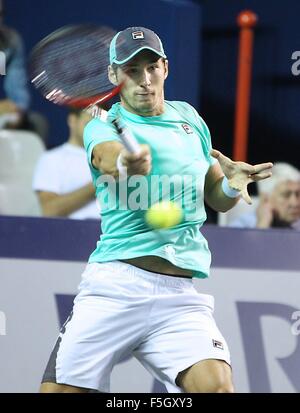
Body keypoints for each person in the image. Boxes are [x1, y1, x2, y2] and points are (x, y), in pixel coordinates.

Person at [40, 27, 273, 393]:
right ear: (114, 75)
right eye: (132, 71)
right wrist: (125, 163)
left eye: (151, 67)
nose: (144, 80)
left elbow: (215, 194)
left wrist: (231, 183)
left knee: (217, 388)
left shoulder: (190, 120)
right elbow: (104, 156)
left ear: (165, 67)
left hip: (178, 296)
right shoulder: (100, 122)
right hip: (116, 285)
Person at [32, 109, 100, 219]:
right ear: (72, 120)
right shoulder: (52, 159)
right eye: (89, 124)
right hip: (72, 232)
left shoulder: (118, 158)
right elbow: (49, 210)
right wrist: (100, 183)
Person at [0, 0, 48, 140]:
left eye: (1, 14)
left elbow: (17, 93)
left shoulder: (10, 42)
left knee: (37, 123)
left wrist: (17, 111)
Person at [230, 162, 300, 229]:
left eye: (298, 194)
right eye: (286, 195)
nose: (295, 203)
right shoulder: (242, 226)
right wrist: (262, 225)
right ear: (265, 199)